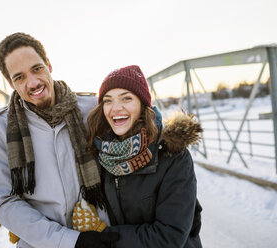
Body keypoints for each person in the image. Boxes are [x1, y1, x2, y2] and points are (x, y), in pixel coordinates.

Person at [0, 32, 119, 248]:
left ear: (49, 64)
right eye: (20, 77)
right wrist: (70, 241)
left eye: (37, 69)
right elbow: (5, 202)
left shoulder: (91, 108)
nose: (33, 82)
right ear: (10, 82)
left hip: (100, 237)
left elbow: (137, 135)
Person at [86, 65, 203, 247]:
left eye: (126, 98)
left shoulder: (173, 156)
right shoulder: (102, 154)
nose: (116, 108)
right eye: (108, 101)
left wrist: (105, 236)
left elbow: (169, 237)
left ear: (142, 104)